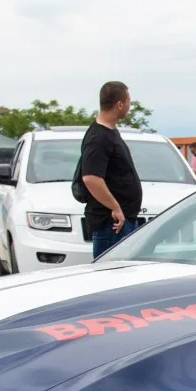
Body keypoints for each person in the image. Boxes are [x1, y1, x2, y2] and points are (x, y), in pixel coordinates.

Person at [79, 80, 143, 259]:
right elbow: (91, 177)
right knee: (110, 275)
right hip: (111, 224)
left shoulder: (109, 132)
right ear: (119, 104)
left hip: (122, 222)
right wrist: (115, 208)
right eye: (128, 101)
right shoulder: (98, 137)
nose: (130, 105)